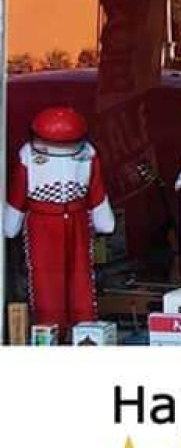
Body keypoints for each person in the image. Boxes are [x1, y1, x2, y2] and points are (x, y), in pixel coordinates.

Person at [4, 107, 114, 337]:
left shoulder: (88, 154)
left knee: (81, 275)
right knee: (45, 278)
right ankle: (51, 332)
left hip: (77, 218)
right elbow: (18, 190)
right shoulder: (28, 155)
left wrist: (103, 219)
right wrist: (11, 223)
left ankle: (85, 331)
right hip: (42, 222)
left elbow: (96, 188)